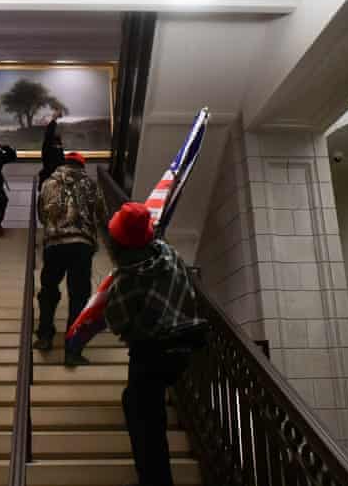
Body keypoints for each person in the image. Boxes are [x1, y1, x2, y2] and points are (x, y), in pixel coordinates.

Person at [104, 202, 204, 486]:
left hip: (151, 354)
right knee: (147, 408)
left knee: (143, 418)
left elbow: (117, 322)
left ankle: (155, 479)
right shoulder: (169, 253)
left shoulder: (128, 278)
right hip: (184, 345)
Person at [33, 151, 107, 366]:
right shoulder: (90, 184)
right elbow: (102, 214)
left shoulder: (48, 183)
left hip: (54, 243)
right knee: (79, 296)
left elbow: (41, 214)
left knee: (48, 289)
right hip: (82, 245)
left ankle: (45, 336)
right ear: (82, 166)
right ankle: (72, 350)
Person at [38, 112, 64, 189]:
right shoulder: (49, 146)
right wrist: (54, 120)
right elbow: (49, 135)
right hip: (50, 178)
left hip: (55, 179)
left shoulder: (54, 146)